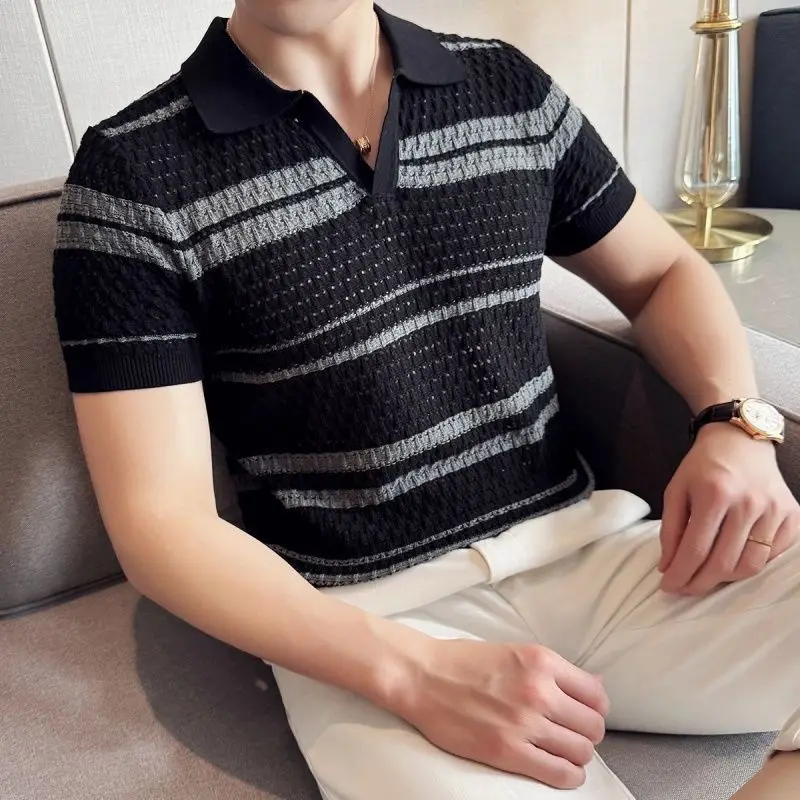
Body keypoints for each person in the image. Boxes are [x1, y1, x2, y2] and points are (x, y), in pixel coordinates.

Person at [52, 2, 799, 798]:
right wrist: (410, 673)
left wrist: (734, 423)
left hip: (606, 555)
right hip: (369, 621)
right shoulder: (130, 179)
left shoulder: (505, 85)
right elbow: (161, 523)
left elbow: (662, 273)